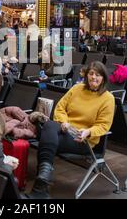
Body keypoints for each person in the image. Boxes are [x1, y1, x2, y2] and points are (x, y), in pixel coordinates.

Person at [29, 61, 115, 198]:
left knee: (47, 134)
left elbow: (103, 125)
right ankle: (43, 180)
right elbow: (60, 107)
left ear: (103, 78)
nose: (94, 77)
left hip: (82, 139)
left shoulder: (108, 99)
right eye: (91, 74)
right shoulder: (77, 89)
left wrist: (88, 132)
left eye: (98, 75)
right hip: (65, 129)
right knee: (50, 125)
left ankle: (41, 186)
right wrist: (64, 122)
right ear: (86, 75)